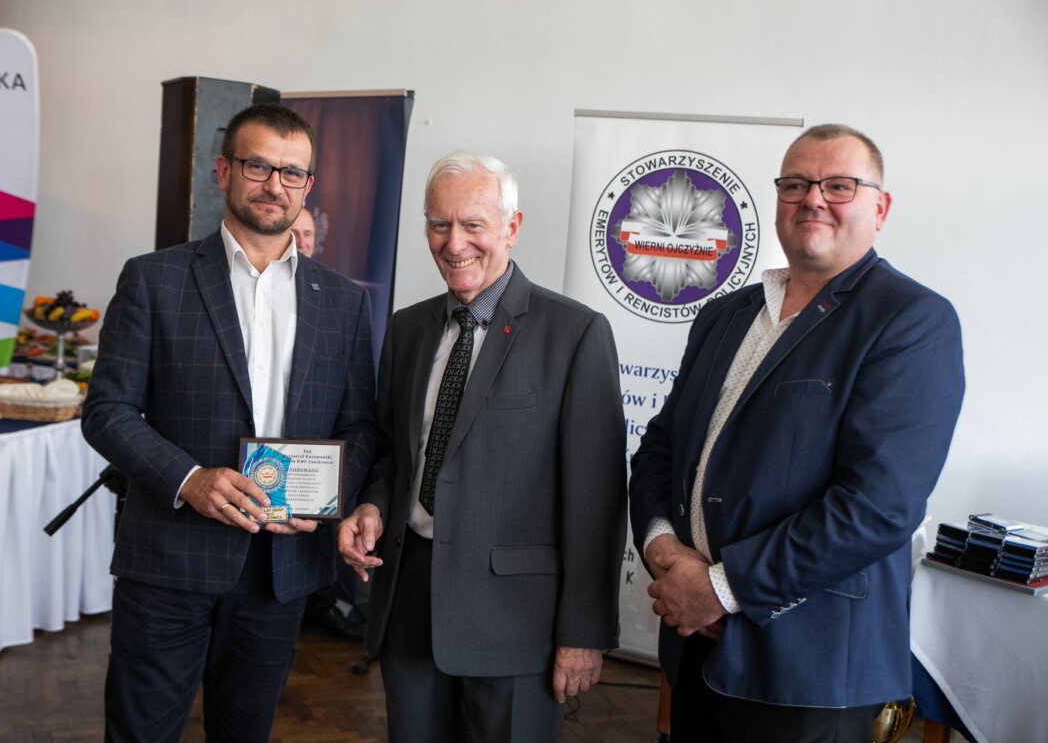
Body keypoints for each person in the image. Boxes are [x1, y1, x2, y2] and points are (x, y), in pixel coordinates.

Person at [628, 124, 966, 742]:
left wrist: (720, 588)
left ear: (880, 207)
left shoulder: (910, 321)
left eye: (839, 185)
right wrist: (662, 549)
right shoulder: (725, 314)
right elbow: (660, 449)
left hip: (808, 670)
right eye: (795, 184)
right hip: (695, 647)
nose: (813, 199)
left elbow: (877, 507)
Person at [82, 103, 377, 743]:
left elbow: (359, 427)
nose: (275, 185)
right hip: (170, 560)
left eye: (291, 173)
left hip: (281, 570)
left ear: (308, 186)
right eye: (257, 166)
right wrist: (189, 479)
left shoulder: (345, 302)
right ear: (223, 171)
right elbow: (106, 411)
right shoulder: (153, 279)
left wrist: (327, 499)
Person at [338, 151, 627, 743]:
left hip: (518, 621)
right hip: (409, 603)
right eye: (439, 224)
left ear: (512, 228)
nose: (454, 243)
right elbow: (394, 451)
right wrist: (371, 503)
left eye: (473, 224)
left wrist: (584, 632)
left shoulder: (575, 333)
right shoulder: (408, 327)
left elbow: (596, 497)